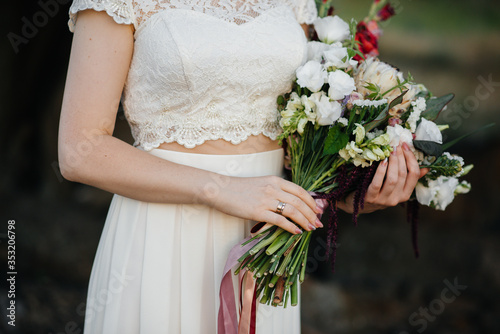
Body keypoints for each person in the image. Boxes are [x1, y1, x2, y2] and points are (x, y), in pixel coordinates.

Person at [58, 0, 426, 333]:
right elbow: (79, 152)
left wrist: (344, 191)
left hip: (266, 241)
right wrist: (223, 189)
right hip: (163, 237)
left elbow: (297, 128)